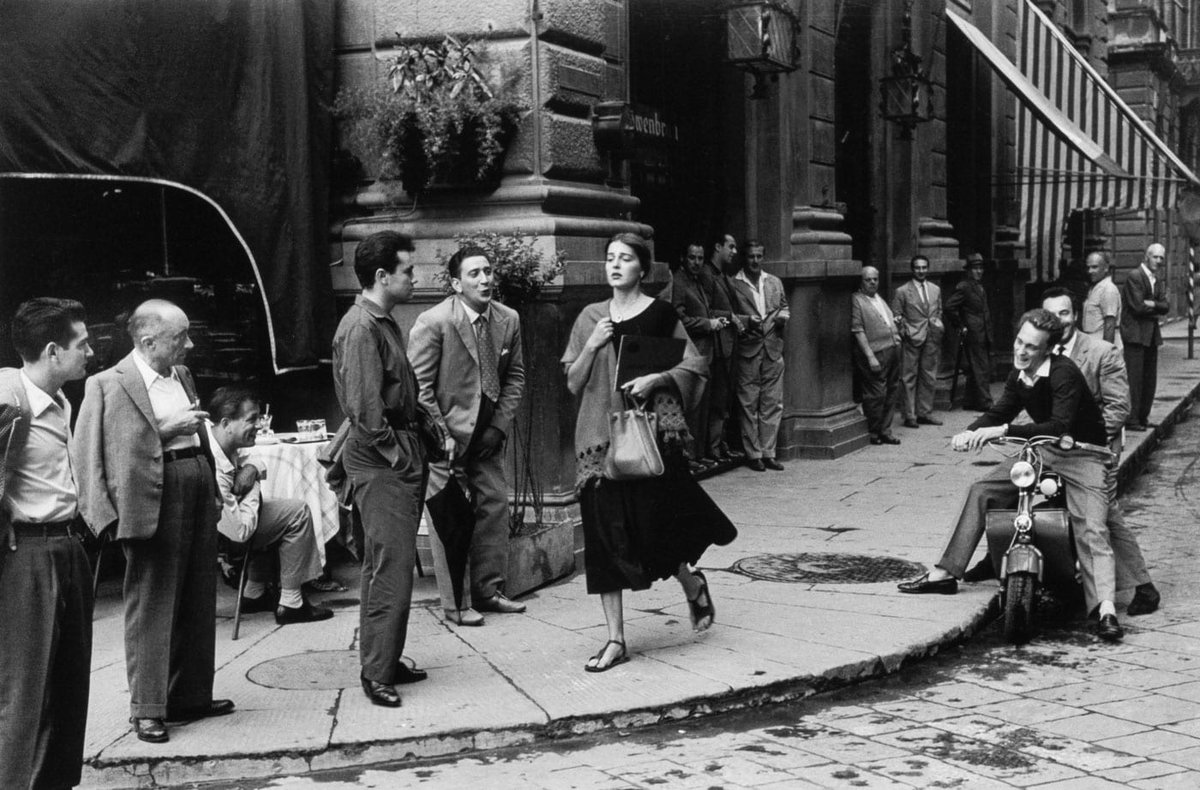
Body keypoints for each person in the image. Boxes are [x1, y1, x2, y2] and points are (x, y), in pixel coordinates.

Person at [562, 232, 737, 672]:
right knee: (604, 540)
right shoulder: (590, 317)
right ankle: (615, 639)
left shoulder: (660, 314)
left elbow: (694, 365)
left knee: (654, 529)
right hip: (599, 440)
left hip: (650, 436)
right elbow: (572, 381)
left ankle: (690, 581)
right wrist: (592, 345)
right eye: (610, 259)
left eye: (625, 259)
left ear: (643, 268)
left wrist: (656, 379)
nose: (615, 265)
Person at [898, 309, 1125, 641]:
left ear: (1048, 349)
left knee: (1092, 527)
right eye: (1020, 341)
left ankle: (1105, 609)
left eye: (1031, 347)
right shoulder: (1019, 375)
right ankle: (945, 572)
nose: (1021, 351)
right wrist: (970, 432)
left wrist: (1000, 431)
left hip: (1083, 455)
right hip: (1041, 451)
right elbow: (1001, 409)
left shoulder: (1064, 374)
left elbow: (1058, 425)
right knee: (981, 489)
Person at [74, 299, 231, 743]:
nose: (190, 344)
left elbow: (199, 435)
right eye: (180, 337)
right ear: (147, 341)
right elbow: (88, 455)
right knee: (151, 603)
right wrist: (102, 518)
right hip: (148, 495)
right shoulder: (106, 384)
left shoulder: (182, 375)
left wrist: (214, 489)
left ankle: (191, 696)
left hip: (194, 483)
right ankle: (147, 708)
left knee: (198, 594)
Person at [331, 230, 429, 708]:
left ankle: (384, 659)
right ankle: (377, 672)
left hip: (393, 453)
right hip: (382, 458)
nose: (415, 278)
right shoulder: (360, 328)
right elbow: (367, 410)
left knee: (387, 564)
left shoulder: (379, 321)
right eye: (409, 271)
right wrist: (399, 454)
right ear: (381, 276)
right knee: (389, 566)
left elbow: (397, 390)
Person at [0, 298, 94, 789]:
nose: (91, 352)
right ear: (53, 351)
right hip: (26, 555)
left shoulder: (60, 401)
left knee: (67, 685)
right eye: (82, 344)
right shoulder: (6, 394)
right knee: (23, 691)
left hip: (67, 546)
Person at [409, 245, 528, 627]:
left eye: (488, 271)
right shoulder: (434, 322)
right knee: (451, 520)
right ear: (457, 283)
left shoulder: (508, 319)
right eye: (474, 273)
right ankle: (456, 605)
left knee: (493, 506)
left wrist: (498, 426)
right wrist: (441, 435)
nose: (485, 279)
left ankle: (488, 591)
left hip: (487, 435)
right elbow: (420, 388)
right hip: (444, 440)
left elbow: (515, 376)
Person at [1040, 288, 1159, 615]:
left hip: (1095, 449)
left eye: (1064, 313)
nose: (1058, 321)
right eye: (1051, 316)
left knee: (1105, 514)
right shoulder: (1042, 353)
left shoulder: (1101, 351)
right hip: (1058, 448)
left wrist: (1079, 439)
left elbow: (1119, 408)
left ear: (1075, 315)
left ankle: (1143, 587)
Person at [205, 385, 333, 626]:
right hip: (221, 538)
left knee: (273, 511)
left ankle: (254, 592)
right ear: (226, 423)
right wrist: (252, 487)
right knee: (297, 513)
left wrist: (251, 469)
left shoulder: (219, 439)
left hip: (228, 524)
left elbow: (253, 459)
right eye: (252, 420)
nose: (259, 426)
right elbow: (240, 533)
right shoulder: (215, 464)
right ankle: (292, 602)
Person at [668, 242, 729, 469]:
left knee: (704, 406)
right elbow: (678, 318)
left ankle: (699, 454)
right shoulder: (679, 281)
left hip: (706, 352)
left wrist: (717, 320)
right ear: (684, 258)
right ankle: (689, 457)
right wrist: (707, 324)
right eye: (692, 258)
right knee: (692, 408)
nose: (696, 263)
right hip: (691, 353)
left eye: (700, 258)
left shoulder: (698, 281)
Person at [729, 240, 788, 471]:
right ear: (745, 258)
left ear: (764, 257)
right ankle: (753, 454)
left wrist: (783, 317)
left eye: (759, 256)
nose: (755, 261)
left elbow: (784, 306)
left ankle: (768, 452)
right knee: (748, 402)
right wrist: (745, 322)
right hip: (748, 348)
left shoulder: (774, 282)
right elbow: (730, 315)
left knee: (773, 402)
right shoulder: (734, 284)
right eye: (751, 256)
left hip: (773, 348)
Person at [702, 233, 743, 462]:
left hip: (729, 344)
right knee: (717, 398)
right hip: (717, 346)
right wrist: (730, 316)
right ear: (717, 246)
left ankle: (722, 444)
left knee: (725, 398)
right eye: (731, 246)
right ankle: (714, 448)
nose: (734, 251)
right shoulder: (707, 275)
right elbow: (705, 310)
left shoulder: (724, 276)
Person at [891, 255, 944, 429]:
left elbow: (939, 310)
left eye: (924, 268)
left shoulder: (935, 289)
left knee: (929, 375)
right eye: (917, 268)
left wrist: (936, 325)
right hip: (912, 338)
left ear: (927, 269)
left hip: (931, 337)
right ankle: (910, 415)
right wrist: (905, 331)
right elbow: (896, 315)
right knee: (909, 377)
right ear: (912, 269)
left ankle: (925, 413)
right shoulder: (903, 291)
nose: (921, 271)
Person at [1120, 242, 1169, 431]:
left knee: (1149, 379)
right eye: (1155, 257)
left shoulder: (1157, 279)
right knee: (1135, 379)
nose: (1158, 261)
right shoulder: (1135, 276)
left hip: (1150, 336)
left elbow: (1166, 307)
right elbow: (1138, 306)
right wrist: (1156, 305)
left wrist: (1153, 304)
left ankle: (1142, 417)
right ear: (1146, 257)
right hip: (1135, 335)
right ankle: (1132, 419)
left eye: (1161, 258)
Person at [850, 266, 901, 445]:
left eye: (875, 279)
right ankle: (873, 431)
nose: (872, 282)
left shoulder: (879, 298)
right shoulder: (857, 300)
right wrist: (870, 356)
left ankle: (885, 430)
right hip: (876, 351)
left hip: (893, 348)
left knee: (892, 391)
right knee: (876, 393)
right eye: (868, 279)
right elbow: (858, 330)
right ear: (861, 281)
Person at [945, 254, 994, 410]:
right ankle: (986, 403)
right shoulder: (964, 286)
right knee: (981, 368)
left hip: (983, 331)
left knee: (975, 368)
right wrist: (960, 325)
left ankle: (970, 401)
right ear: (968, 271)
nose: (979, 271)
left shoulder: (979, 286)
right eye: (975, 269)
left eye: (980, 268)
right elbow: (949, 307)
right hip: (973, 333)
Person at [1082, 251, 1121, 346]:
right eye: (1088, 267)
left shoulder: (1108, 289)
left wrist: (1106, 353)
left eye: (1094, 267)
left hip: (1102, 342)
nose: (1090, 271)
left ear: (1106, 268)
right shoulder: (1095, 287)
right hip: (1092, 341)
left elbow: (1109, 324)